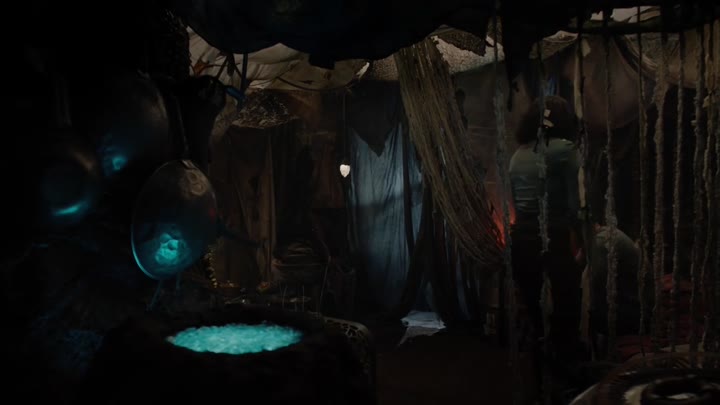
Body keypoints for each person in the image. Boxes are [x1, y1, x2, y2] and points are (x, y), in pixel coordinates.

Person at [509, 95, 584, 364]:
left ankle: (541, 367)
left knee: (534, 309)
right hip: (554, 236)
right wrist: (583, 244)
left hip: (521, 239)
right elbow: (576, 206)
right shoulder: (566, 150)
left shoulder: (517, 156)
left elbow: (516, 205)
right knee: (567, 306)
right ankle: (566, 366)